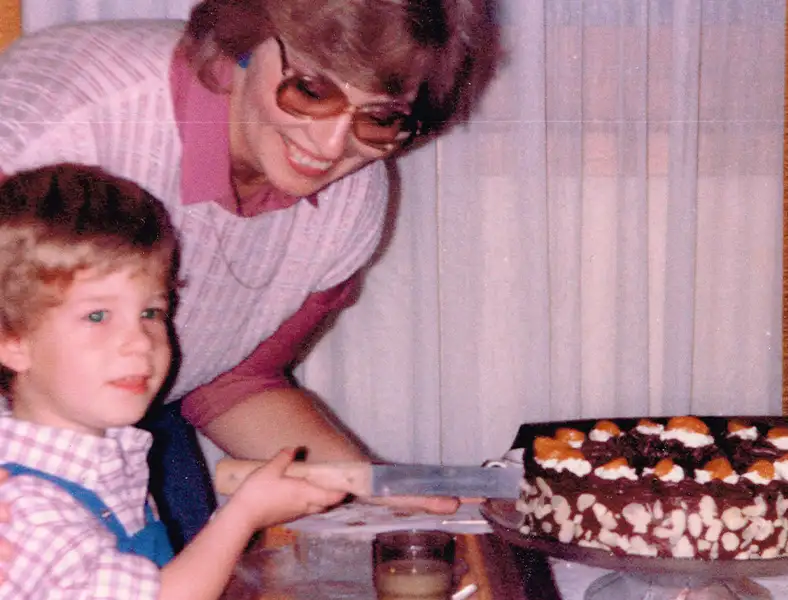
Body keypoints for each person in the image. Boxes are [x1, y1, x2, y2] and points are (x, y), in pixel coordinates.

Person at [0, 0, 501, 552]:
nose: (329, 145)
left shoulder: (353, 200)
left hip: (125, 430)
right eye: (311, 91)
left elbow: (235, 379)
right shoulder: (65, 115)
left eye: (379, 118)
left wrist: (374, 483)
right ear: (244, 39)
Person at [0, 163, 348, 598]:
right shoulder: (28, 510)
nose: (139, 343)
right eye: (97, 315)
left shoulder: (107, 460)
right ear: (13, 342)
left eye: (151, 313)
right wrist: (243, 515)